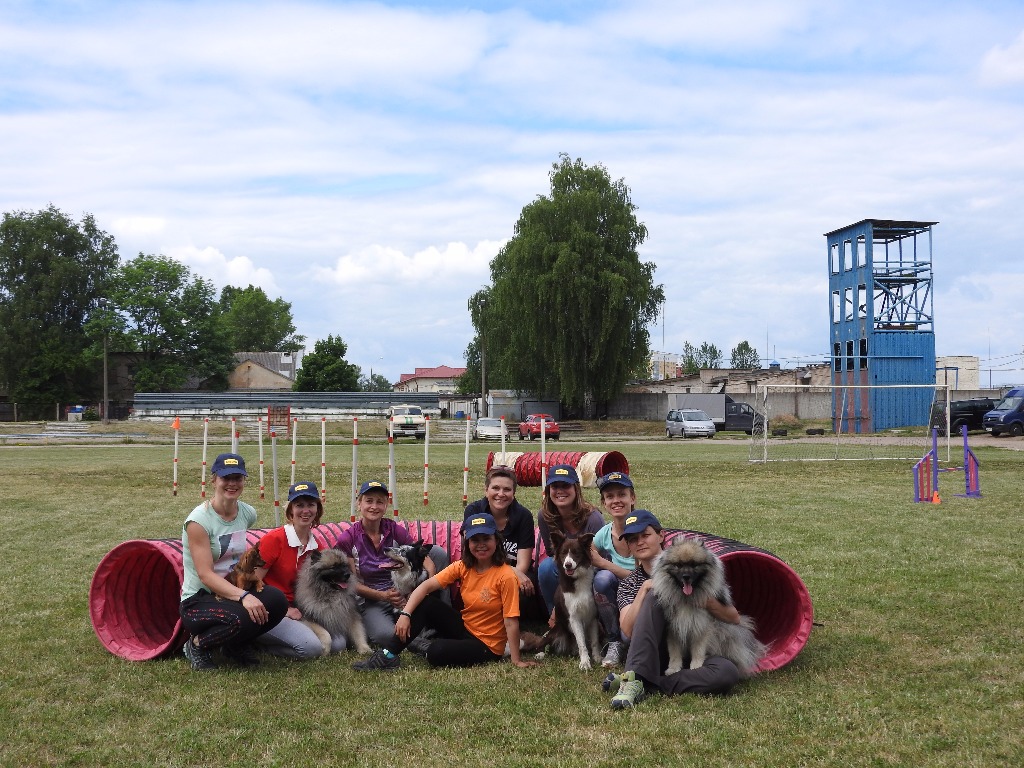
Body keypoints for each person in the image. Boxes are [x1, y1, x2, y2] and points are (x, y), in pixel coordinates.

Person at [352, 513, 538, 671]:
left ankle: (428, 648)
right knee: (426, 602)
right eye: (475, 540)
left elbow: (511, 621)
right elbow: (425, 587)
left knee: (436, 652)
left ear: (496, 540)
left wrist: (516, 660)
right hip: (466, 627)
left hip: (488, 645)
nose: (481, 545)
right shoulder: (463, 566)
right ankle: (387, 655)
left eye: (486, 539)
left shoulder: (506, 576)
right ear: (467, 543)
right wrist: (406, 614)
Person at [603, 510, 743, 709]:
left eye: (645, 535)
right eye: (633, 539)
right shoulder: (629, 584)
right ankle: (635, 679)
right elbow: (626, 631)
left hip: (697, 655)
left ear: (661, 536)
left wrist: (707, 602)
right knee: (654, 595)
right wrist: (644, 591)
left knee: (726, 673)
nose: (640, 542)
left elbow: (734, 618)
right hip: (655, 657)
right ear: (629, 546)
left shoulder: (704, 578)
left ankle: (648, 684)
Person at [179, 452, 287, 671]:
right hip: (199, 600)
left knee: (277, 601)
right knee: (242, 617)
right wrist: (244, 596)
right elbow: (205, 574)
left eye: (237, 478)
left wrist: (245, 590)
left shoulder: (247, 513)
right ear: (214, 480)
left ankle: (234, 645)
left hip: (231, 591)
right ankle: (196, 644)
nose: (232, 483)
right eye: (225, 478)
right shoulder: (198, 521)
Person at [333, 480, 449, 646]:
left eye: (380, 502)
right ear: (359, 504)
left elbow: (428, 562)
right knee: (385, 636)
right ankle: (419, 643)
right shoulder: (348, 538)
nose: (374, 506)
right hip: (372, 599)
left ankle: (445, 614)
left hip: (403, 592)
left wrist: (419, 591)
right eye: (369, 501)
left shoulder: (394, 529)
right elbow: (352, 583)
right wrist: (384, 596)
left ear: (386, 505)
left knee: (437, 553)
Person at [252, 481, 344, 659]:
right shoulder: (274, 540)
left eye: (311, 505)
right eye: (299, 505)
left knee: (338, 644)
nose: (306, 510)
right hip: (268, 609)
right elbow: (251, 582)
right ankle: (255, 644)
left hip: (299, 610)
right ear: (290, 510)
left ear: (317, 509)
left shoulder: (317, 546)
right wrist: (284, 610)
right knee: (312, 648)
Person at [536, 464, 606, 616]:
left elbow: (599, 558)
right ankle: (556, 614)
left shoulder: (593, 518)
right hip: (565, 567)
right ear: (548, 490)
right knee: (546, 568)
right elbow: (552, 554)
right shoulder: (544, 516)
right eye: (555, 486)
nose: (560, 491)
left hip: (591, 568)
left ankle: (594, 615)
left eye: (565, 485)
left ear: (576, 489)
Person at [589, 471, 639, 667]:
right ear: (604, 503)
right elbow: (588, 552)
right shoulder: (604, 533)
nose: (616, 500)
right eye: (610, 496)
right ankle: (613, 640)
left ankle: (633, 640)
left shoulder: (643, 530)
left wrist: (604, 564)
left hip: (641, 592)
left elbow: (644, 578)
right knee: (601, 579)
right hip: (618, 592)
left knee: (604, 572)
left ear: (632, 498)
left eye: (622, 494)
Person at [462, 465, 536, 595]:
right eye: (495, 488)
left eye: (507, 489)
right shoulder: (473, 511)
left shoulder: (524, 516)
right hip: (481, 570)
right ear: (486, 490)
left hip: (515, 573)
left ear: (513, 493)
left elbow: (523, 565)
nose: (501, 494)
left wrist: (510, 576)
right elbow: (472, 554)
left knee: (523, 589)